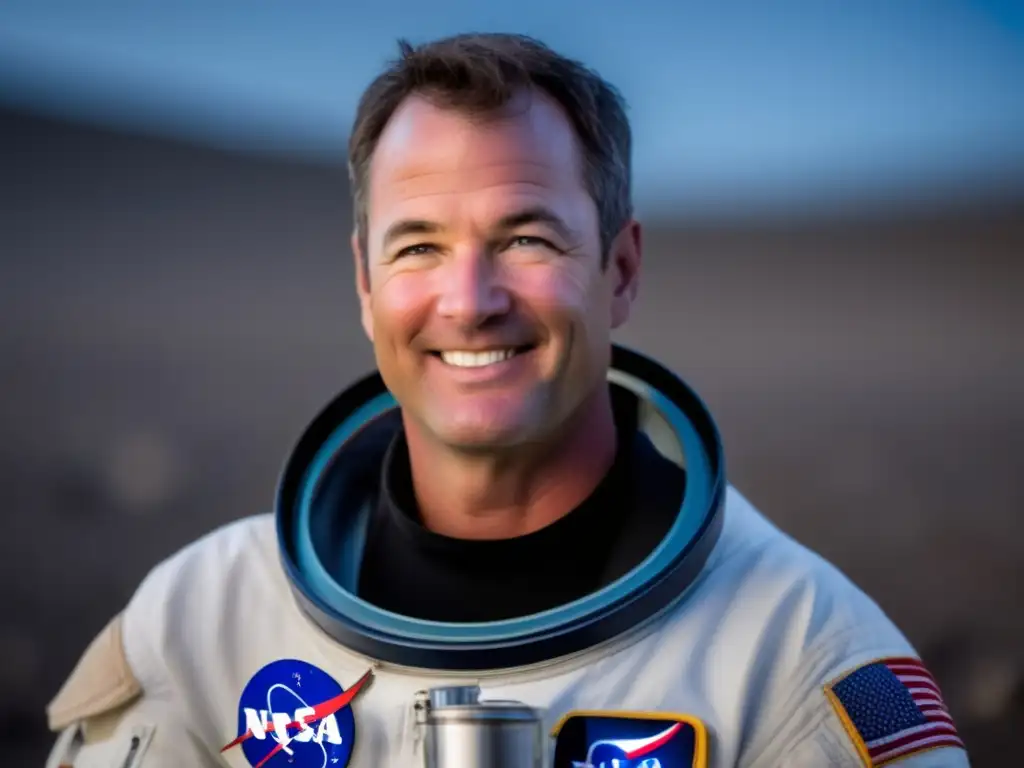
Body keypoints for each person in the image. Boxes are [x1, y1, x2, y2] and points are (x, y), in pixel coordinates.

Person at [45, 33, 970, 768]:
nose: (470, 300)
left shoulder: (797, 658)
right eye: (417, 247)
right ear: (365, 285)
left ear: (620, 268)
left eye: (526, 239)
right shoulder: (202, 626)